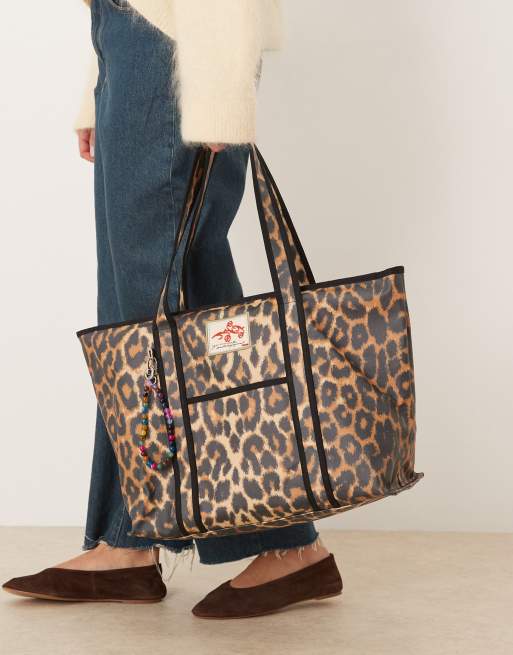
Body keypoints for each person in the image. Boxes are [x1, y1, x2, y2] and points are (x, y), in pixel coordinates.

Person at [2, 0, 342, 619]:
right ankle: (132, 543)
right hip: (137, 53)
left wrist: (220, 92)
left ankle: (285, 545)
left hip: (176, 61)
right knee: (151, 317)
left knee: (167, 321)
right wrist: (101, 87)